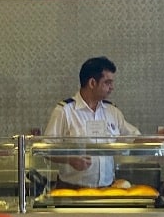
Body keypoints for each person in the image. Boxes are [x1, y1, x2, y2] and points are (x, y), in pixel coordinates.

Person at [42, 56, 140, 187]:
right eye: (107, 82)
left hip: (107, 189)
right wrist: (69, 159)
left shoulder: (112, 111)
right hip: (72, 190)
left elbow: (134, 138)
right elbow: (46, 149)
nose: (112, 87)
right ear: (92, 83)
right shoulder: (64, 111)